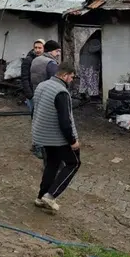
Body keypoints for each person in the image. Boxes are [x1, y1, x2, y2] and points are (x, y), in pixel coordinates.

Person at [31, 62, 81, 212]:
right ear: (65, 75)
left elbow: (35, 109)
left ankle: (40, 197)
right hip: (57, 138)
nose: (72, 80)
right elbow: (65, 122)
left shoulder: (42, 85)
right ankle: (51, 195)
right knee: (74, 163)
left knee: (52, 164)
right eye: (71, 77)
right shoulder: (61, 92)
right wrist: (72, 141)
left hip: (43, 135)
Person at [21, 39, 45, 158]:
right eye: (36, 47)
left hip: (41, 94)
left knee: (38, 120)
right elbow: (24, 78)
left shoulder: (44, 60)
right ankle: (37, 147)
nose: (37, 50)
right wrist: (30, 95)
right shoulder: (28, 60)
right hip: (33, 95)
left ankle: (36, 144)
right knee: (37, 121)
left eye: (40, 48)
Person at [78, 33, 101, 100]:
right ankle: (93, 96)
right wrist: (102, 46)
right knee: (92, 79)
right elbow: (92, 49)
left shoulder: (87, 43)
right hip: (90, 64)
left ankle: (82, 94)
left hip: (83, 63)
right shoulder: (95, 41)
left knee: (83, 80)